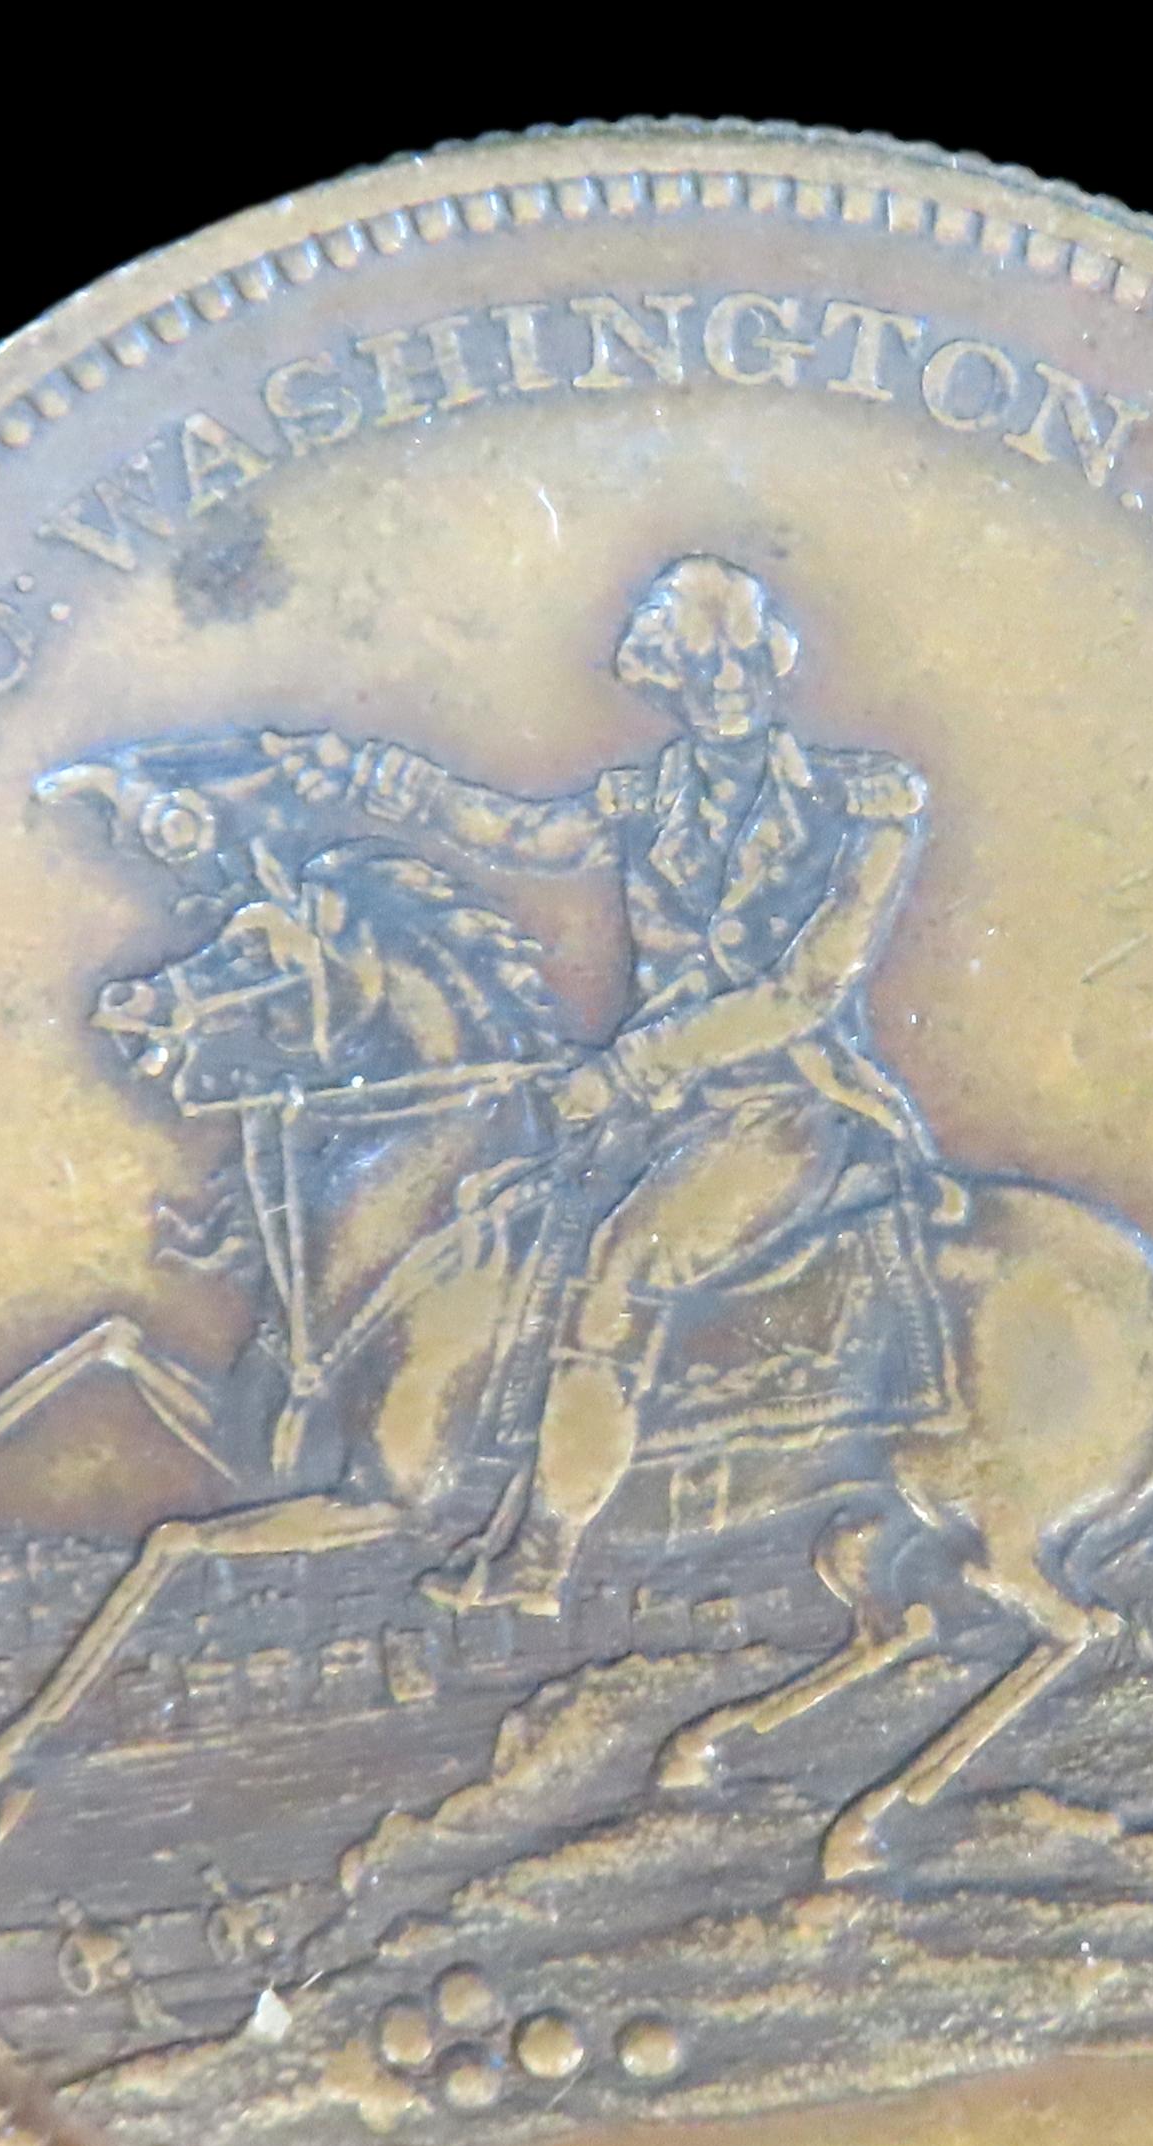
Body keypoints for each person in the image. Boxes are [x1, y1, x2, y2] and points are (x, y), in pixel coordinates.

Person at [276, 555, 937, 1615]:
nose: (723, 686)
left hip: (790, 1107)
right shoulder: (644, 799)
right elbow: (520, 834)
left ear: (772, 664)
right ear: (664, 677)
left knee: (622, 1266)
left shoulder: (866, 804)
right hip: (656, 1114)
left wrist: (629, 1067)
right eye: (698, 665)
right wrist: (380, 779)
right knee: (494, 1219)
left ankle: (542, 1560)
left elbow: (807, 988)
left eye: (740, 660)